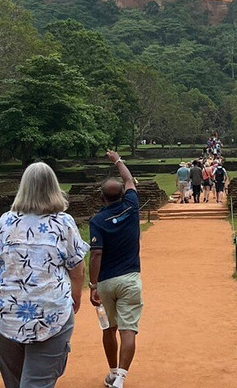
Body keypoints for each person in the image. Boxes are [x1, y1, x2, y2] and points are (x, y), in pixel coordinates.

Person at [0, 161, 87, 388]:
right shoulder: (63, 223)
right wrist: (76, 296)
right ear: (54, 187)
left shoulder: (6, 221)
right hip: (51, 314)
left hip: (4, 316)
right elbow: (77, 270)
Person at [89, 151, 143, 388]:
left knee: (108, 328)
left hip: (105, 281)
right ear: (123, 194)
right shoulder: (131, 206)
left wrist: (93, 285)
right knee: (128, 329)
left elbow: (96, 254)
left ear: (102, 198)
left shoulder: (97, 221)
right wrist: (117, 160)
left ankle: (112, 371)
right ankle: (120, 377)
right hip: (130, 278)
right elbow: (129, 179)